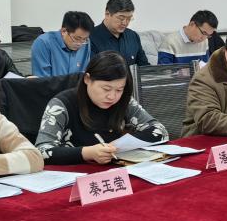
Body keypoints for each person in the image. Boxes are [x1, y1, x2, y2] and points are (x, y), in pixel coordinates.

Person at [36, 52, 167, 165]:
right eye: (106, 89)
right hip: (75, 176)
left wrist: (120, 144)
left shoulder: (124, 101)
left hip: (116, 172)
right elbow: (42, 151)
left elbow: (160, 130)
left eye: (119, 90)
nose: (112, 96)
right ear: (87, 79)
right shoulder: (61, 104)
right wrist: (87, 153)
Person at [88, 0, 149, 66]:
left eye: (129, 18)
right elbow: (91, 70)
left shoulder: (133, 36)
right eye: (121, 18)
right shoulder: (90, 38)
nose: (125, 23)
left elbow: (144, 67)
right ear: (107, 14)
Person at [30, 11, 95, 77]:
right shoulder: (43, 43)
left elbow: (84, 75)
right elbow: (42, 80)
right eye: (77, 39)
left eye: (84, 39)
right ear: (64, 31)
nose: (80, 44)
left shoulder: (86, 43)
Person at [158, 10, 223, 65]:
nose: (204, 38)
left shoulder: (204, 41)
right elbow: (164, 73)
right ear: (192, 24)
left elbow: (204, 68)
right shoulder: (170, 42)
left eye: (208, 35)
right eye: (203, 33)